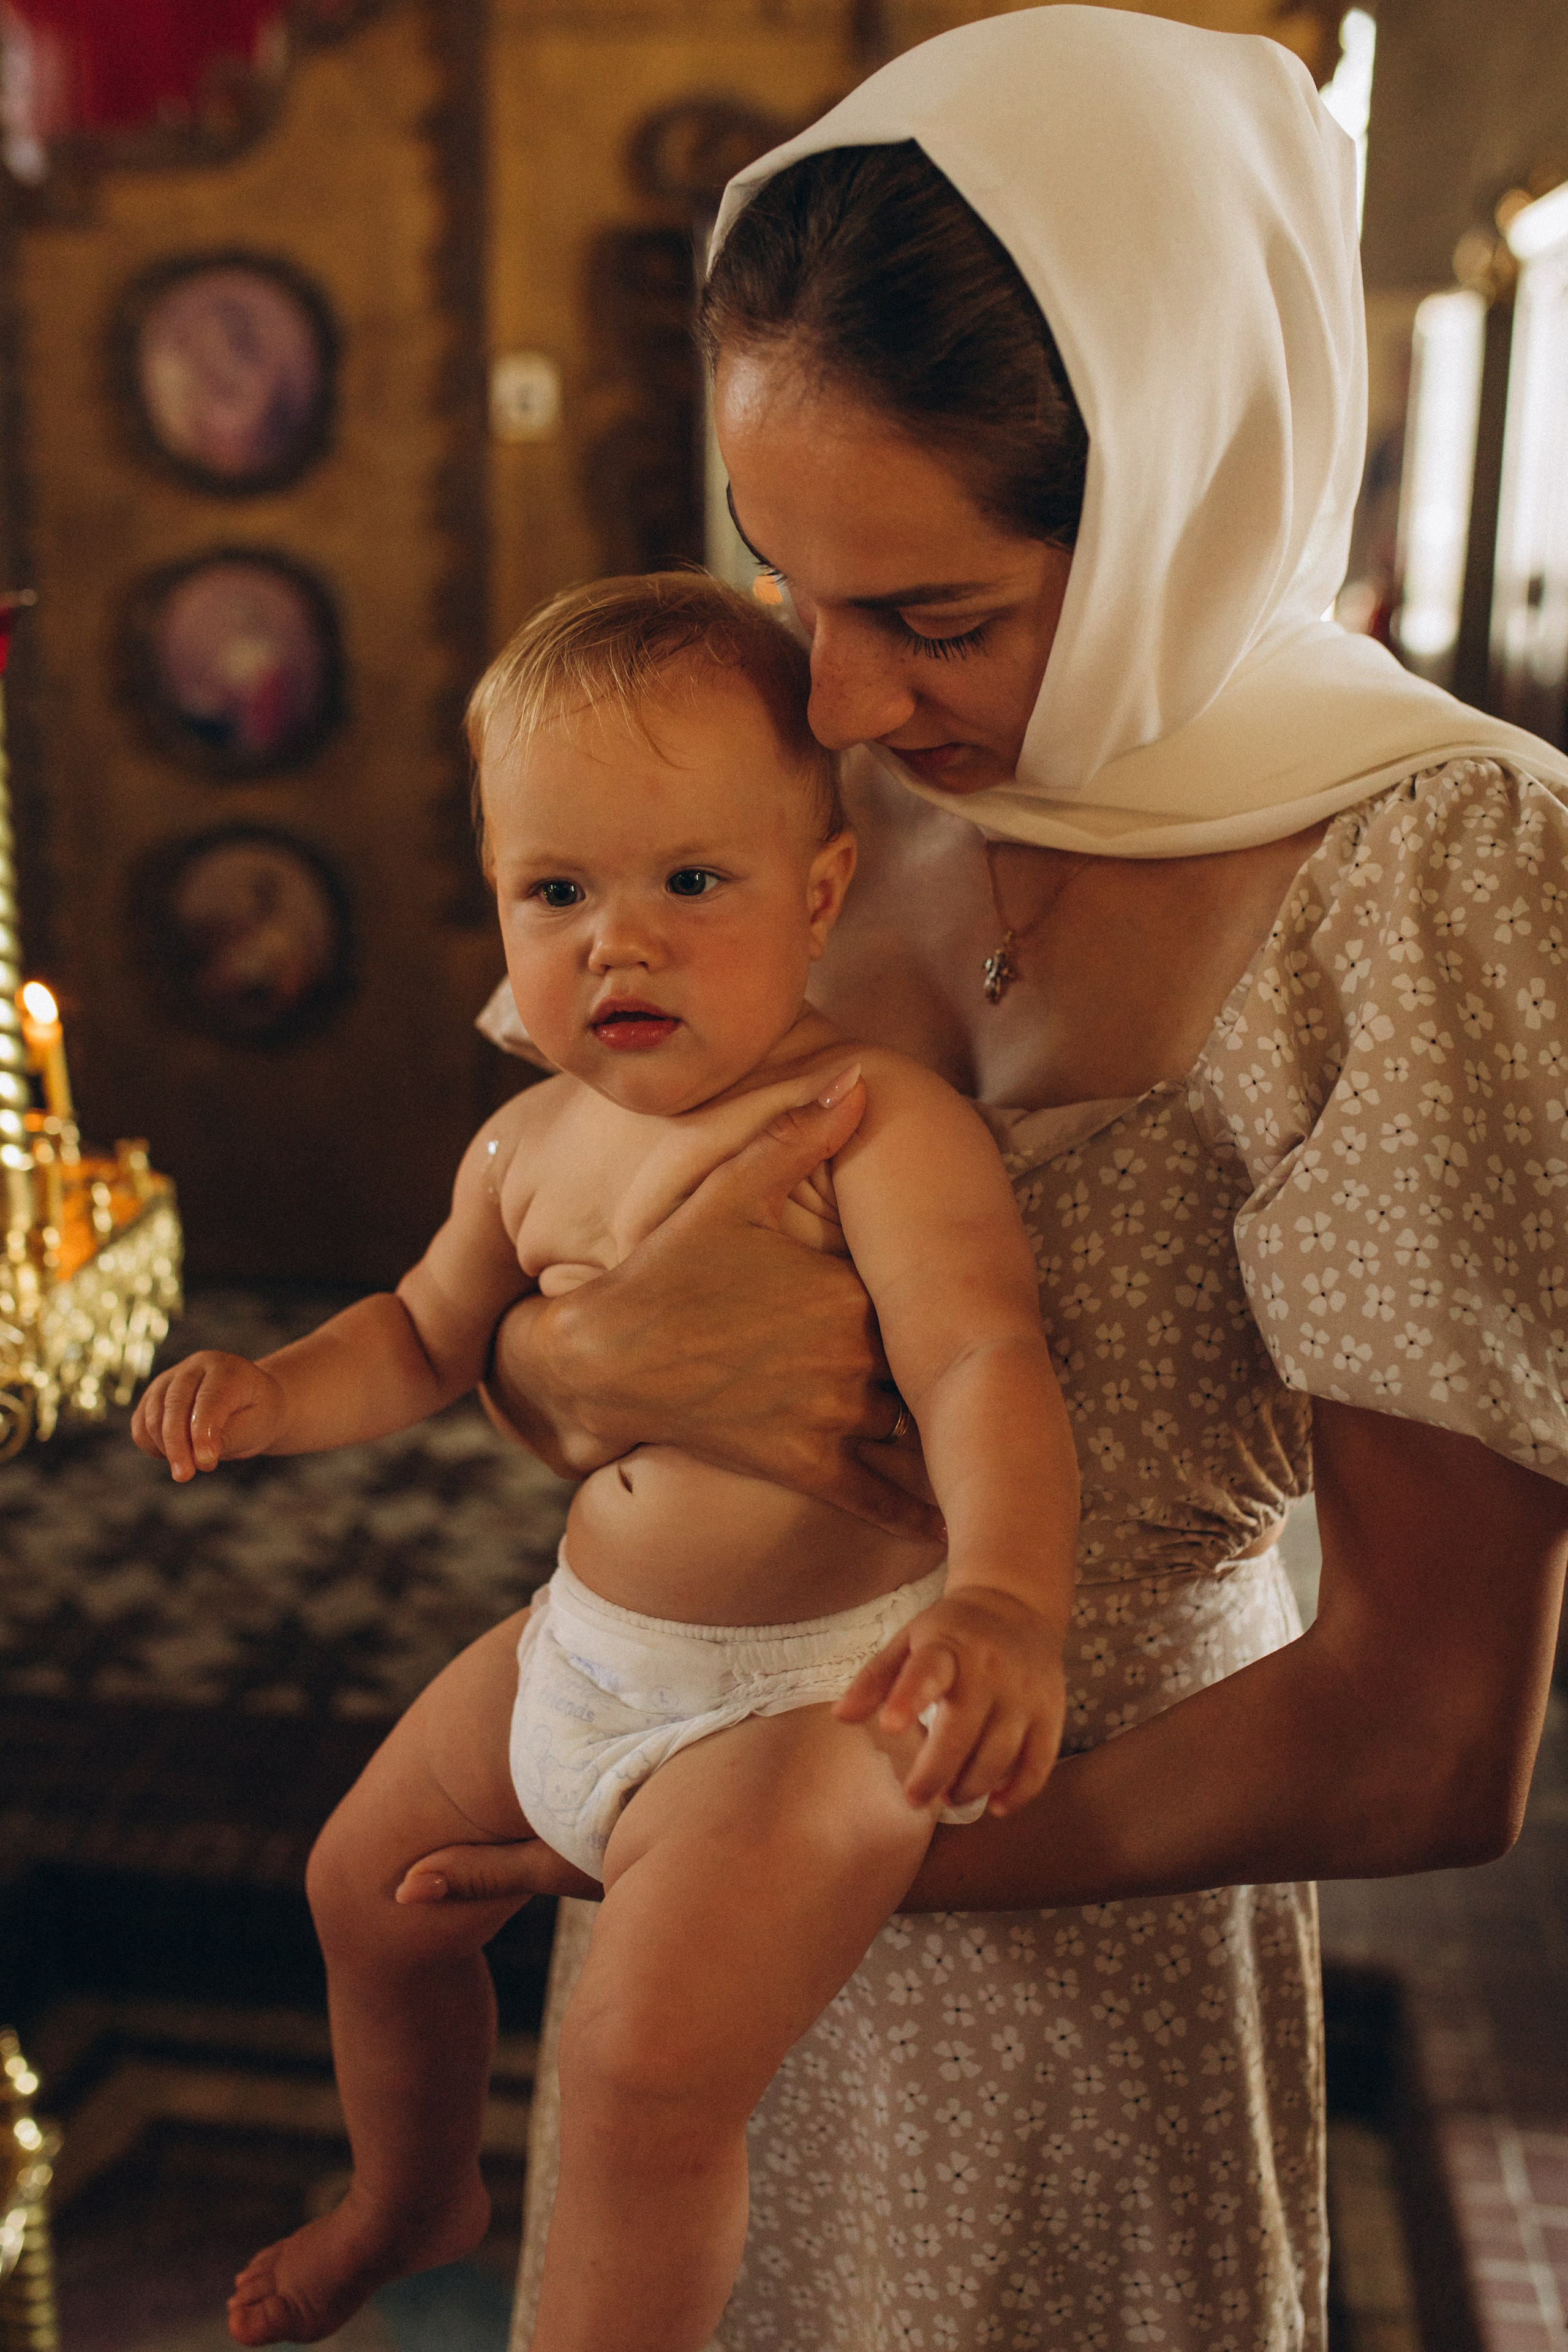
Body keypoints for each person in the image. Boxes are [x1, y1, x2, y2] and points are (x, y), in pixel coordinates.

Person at [401, 15, 1568, 2352]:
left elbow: (1430, 1735)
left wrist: (774, 1872)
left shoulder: (1430, 870)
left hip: (1063, 1952)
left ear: (1183, 497)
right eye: (784, 578)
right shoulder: (790, 764)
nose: (836, 702)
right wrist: (565, 1372)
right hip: (674, 1889)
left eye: (939, 619)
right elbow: (542, 1276)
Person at [130, 572, 1084, 2350]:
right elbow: (421, 1335)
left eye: (690, 885)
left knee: (641, 2074)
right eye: (556, 893)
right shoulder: (524, 1147)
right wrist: (270, 1390)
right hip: (581, 1648)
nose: (614, 945)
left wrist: (1010, 1600)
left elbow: (980, 1361)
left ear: (820, 894)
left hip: (805, 1703)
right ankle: (413, 2192)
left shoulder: (870, 1124)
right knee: (362, 1889)